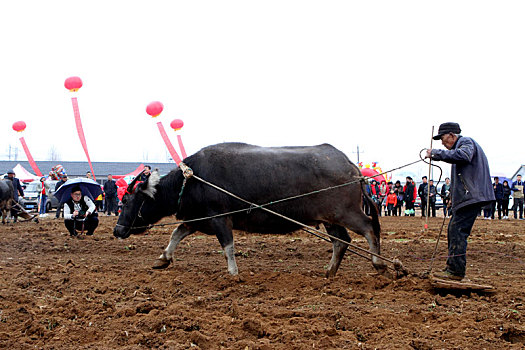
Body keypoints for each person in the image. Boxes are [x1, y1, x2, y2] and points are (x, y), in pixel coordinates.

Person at [426, 122, 494, 281]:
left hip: (472, 196)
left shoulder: (465, 142)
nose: (442, 142)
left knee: (457, 230)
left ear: (451, 135)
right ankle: (453, 268)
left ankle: (455, 272)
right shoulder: (461, 146)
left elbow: (464, 156)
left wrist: (436, 153)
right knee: (454, 229)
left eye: (442, 138)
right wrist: (453, 196)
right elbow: (463, 175)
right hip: (469, 196)